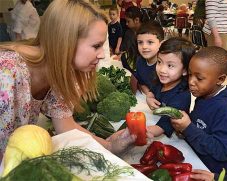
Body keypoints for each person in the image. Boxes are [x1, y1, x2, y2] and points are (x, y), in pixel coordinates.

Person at [0, 0, 139, 161]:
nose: (102, 54)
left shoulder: (58, 73)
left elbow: (66, 126)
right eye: (96, 46)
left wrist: (109, 146)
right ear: (66, 41)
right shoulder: (6, 72)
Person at [171, 47, 227, 176]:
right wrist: (185, 130)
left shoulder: (226, 111)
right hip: (196, 161)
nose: (191, 82)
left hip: (212, 172)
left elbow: (223, 152)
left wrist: (188, 128)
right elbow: (200, 125)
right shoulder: (203, 96)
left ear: (220, 79)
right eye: (190, 74)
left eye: (199, 78)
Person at [146, 37, 196, 138]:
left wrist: (140, 132)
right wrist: (149, 97)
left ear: (185, 70)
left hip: (174, 135)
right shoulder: (162, 79)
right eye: (159, 62)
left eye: (170, 66)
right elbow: (152, 89)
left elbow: (162, 127)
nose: (162, 70)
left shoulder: (182, 97)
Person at [202, 0, 227, 72]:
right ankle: (213, 80)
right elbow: (211, 17)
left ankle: (218, 79)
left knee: (225, 58)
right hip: (216, 31)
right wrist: (216, 37)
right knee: (217, 60)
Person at [135, 21, 164, 95]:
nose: (144, 46)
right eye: (140, 42)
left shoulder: (165, 66)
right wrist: (149, 94)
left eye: (150, 42)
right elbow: (141, 83)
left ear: (161, 44)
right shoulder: (139, 62)